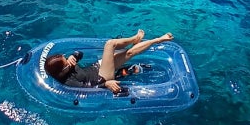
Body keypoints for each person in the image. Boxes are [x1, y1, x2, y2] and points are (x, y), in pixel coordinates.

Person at [44, 30, 173, 94]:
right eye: (66, 62)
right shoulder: (68, 82)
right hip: (101, 77)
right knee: (110, 44)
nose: (68, 60)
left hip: (98, 67)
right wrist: (106, 84)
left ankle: (158, 40)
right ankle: (135, 39)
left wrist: (73, 56)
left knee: (129, 53)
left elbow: (80, 54)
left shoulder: (67, 65)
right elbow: (87, 89)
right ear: (63, 69)